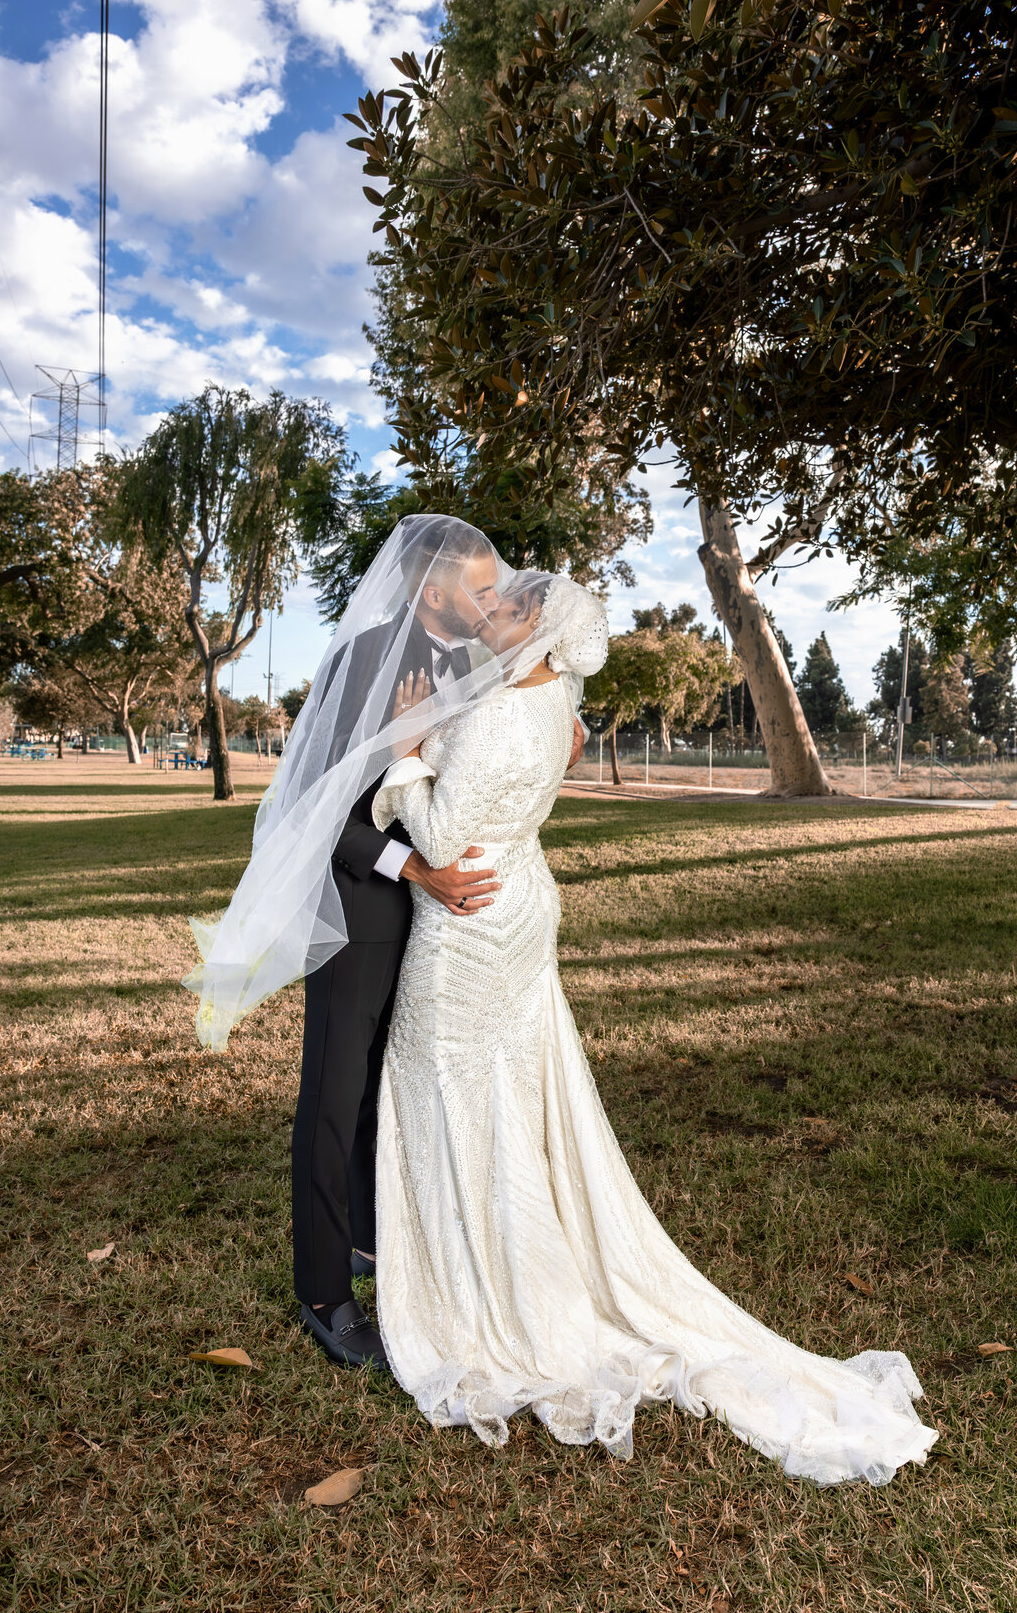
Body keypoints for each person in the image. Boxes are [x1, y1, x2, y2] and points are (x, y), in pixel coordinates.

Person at [367, 567, 938, 1486]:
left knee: (451, 1084)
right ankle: (477, 1246)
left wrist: (411, 751)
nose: (492, 610)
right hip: (520, 907)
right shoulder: (555, 709)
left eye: (510, 605)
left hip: (469, 923)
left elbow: (437, 838)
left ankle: (488, 1287)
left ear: (540, 631)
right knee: (509, 1091)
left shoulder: (508, 712)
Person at [182, 517, 586, 1370]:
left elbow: (485, 762)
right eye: (480, 588)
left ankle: (373, 1239)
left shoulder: (471, 661)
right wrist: (416, 870)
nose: (495, 598)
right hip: (361, 906)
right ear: (429, 591)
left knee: (384, 1094)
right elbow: (315, 805)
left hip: (440, 919)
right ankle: (324, 1293)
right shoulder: (367, 656)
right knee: (334, 1097)